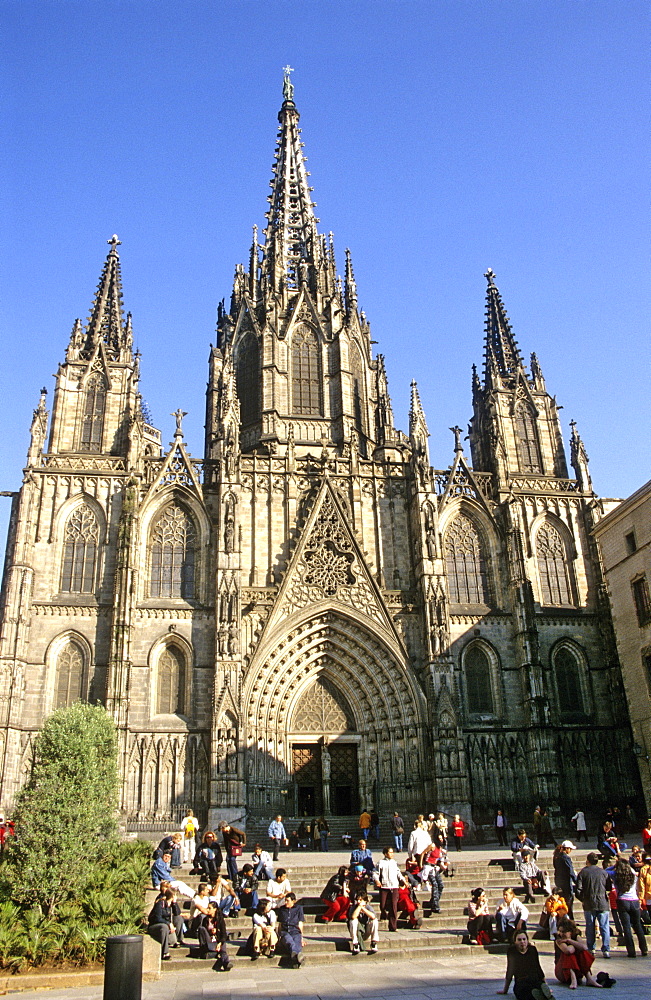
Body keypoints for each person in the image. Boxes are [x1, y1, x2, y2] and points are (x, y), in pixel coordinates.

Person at [575, 851, 611, 959]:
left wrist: (583, 899)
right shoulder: (604, 873)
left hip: (589, 903)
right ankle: (606, 949)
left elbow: (578, 890)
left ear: (588, 861)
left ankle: (591, 948)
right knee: (604, 927)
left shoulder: (583, 873)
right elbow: (609, 887)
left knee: (590, 927)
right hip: (602, 902)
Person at [497, 929, 550, 1000]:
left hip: (534, 979)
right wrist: (505, 990)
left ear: (527, 940)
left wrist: (545, 983)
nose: (522, 942)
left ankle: (543, 992)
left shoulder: (532, 950)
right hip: (521, 982)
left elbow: (538, 967)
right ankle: (541, 996)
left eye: (524, 939)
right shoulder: (512, 951)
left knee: (537, 987)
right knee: (524, 993)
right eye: (519, 940)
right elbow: (510, 970)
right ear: (515, 941)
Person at [613, 854, 648, 957]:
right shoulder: (633, 873)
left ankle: (631, 951)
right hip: (634, 900)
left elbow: (607, 871)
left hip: (622, 900)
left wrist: (615, 866)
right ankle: (644, 949)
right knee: (638, 925)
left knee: (627, 927)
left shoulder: (616, 875)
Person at [554, 919, 602, 989]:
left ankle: (589, 978)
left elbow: (584, 947)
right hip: (563, 971)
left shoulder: (576, 936)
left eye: (564, 931)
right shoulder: (559, 940)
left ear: (570, 932)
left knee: (582, 952)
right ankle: (573, 979)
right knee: (569, 954)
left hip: (578, 969)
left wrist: (569, 941)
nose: (561, 934)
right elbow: (568, 951)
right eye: (560, 931)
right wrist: (574, 946)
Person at [374, 845, 406, 932]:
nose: (392, 854)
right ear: (385, 854)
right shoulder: (380, 863)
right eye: (390, 852)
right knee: (383, 905)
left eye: (392, 852)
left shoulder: (394, 862)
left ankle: (393, 926)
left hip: (394, 886)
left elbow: (398, 873)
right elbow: (376, 873)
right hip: (384, 886)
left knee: (393, 906)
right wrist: (377, 880)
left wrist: (404, 881)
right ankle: (384, 915)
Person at [197, 901, 233, 969]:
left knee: (223, 947)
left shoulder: (220, 919)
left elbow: (223, 933)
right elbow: (204, 934)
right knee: (201, 929)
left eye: (209, 908)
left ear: (215, 909)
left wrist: (219, 942)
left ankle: (226, 963)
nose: (207, 910)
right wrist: (210, 931)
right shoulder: (205, 919)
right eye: (207, 908)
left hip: (217, 941)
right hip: (209, 941)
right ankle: (221, 956)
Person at [147, 888, 177, 960]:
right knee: (164, 927)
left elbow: (177, 913)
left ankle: (175, 940)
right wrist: (168, 923)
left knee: (173, 940)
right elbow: (158, 918)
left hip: (166, 927)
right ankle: (165, 952)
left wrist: (175, 903)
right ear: (173, 896)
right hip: (155, 926)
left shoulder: (170, 905)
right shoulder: (160, 904)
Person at [277, 892, 305, 967]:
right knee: (290, 942)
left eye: (288, 901)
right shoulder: (282, 909)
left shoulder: (299, 908)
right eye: (285, 900)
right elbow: (280, 924)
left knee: (297, 945)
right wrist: (279, 936)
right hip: (285, 932)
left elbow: (300, 923)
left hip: (295, 931)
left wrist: (302, 938)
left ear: (293, 901)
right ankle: (298, 960)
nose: (286, 902)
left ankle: (295, 963)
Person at [348, 889, 379, 954]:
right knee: (353, 921)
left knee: (374, 921)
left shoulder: (368, 907)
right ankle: (355, 944)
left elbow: (373, 916)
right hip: (357, 932)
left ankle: (374, 943)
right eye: (357, 900)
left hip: (366, 931)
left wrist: (364, 909)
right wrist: (359, 907)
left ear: (365, 901)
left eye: (360, 900)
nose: (358, 902)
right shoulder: (353, 907)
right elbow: (353, 917)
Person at [553, 841, 576, 918]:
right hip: (566, 883)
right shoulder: (566, 858)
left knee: (562, 902)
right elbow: (570, 871)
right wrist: (576, 881)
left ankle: (563, 918)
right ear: (567, 849)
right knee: (568, 902)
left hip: (559, 882)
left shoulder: (557, 857)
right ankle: (570, 918)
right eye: (570, 849)